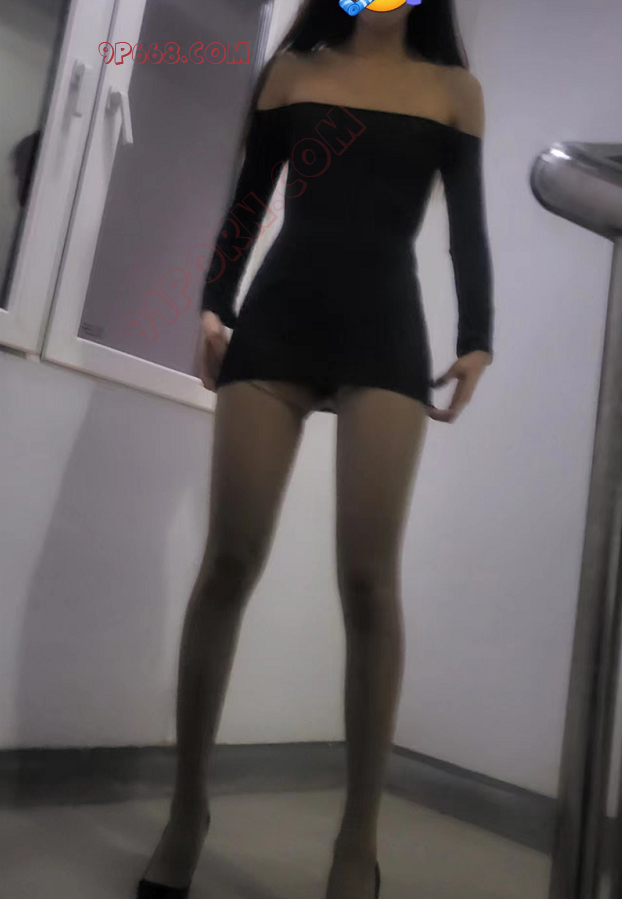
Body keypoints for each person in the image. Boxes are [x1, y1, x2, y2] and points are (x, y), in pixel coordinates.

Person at [137, 0, 494, 897]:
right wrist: (214, 301)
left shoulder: (455, 91)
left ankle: (356, 844)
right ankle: (186, 811)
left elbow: (467, 228)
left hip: (386, 331)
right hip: (280, 319)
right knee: (228, 560)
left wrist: (478, 336)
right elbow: (248, 200)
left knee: (369, 580)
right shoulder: (294, 71)